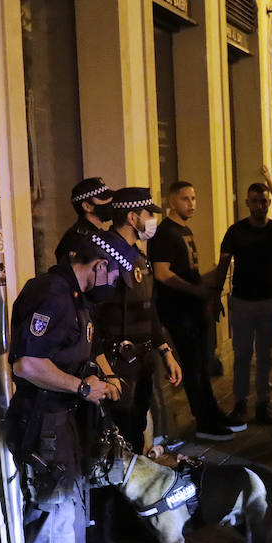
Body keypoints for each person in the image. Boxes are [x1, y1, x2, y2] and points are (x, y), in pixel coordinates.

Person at [5, 230, 129, 543]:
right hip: (45, 428)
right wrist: (82, 386)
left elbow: (79, 353)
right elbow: (27, 363)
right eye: (113, 271)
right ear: (97, 263)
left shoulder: (76, 297)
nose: (113, 281)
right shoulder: (51, 293)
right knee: (54, 533)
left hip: (68, 425)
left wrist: (101, 377)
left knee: (75, 526)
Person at [91, 187, 187, 447]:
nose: (152, 220)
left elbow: (147, 308)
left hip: (141, 363)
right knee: (120, 439)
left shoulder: (137, 257)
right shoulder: (105, 255)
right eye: (148, 214)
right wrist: (106, 370)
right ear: (133, 218)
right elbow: (93, 318)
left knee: (136, 429)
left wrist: (165, 350)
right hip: (116, 365)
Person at [149, 180, 228, 438]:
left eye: (193, 198)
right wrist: (197, 291)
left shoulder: (184, 230)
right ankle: (204, 420)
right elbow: (162, 273)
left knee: (202, 365)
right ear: (171, 201)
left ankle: (211, 411)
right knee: (193, 367)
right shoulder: (165, 233)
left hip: (193, 311)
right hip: (178, 312)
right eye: (185, 199)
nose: (191, 204)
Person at [215, 183, 272, 428]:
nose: (260, 206)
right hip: (243, 301)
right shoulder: (236, 232)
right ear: (247, 202)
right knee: (242, 355)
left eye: (264, 201)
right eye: (255, 201)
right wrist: (216, 294)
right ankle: (241, 402)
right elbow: (223, 263)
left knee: (265, 356)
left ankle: (263, 404)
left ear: (270, 202)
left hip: (269, 301)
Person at [54, 177, 113, 264]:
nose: (110, 201)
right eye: (104, 199)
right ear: (87, 206)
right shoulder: (76, 239)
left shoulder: (96, 233)